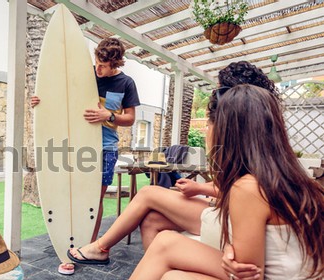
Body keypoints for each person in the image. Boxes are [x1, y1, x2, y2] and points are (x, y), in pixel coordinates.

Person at [110, 85, 324, 280]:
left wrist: (233, 266)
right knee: (165, 248)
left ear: (223, 131)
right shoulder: (304, 184)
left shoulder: (248, 189)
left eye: (207, 123)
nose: (205, 133)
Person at [67, 60, 280, 264]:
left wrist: (204, 190)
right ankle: (155, 277)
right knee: (151, 220)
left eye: (219, 94)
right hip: (229, 208)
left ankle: (101, 247)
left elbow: (248, 193)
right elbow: (235, 188)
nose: (214, 103)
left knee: (148, 193)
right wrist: (199, 188)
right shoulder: (254, 141)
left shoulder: (247, 145)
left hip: (237, 216)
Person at [31, 37, 140, 274]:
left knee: (94, 199)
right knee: (68, 193)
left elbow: (130, 119)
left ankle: (88, 248)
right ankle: (66, 248)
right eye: (96, 62)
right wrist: (41, 101)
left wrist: (108, 116)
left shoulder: (126, 83)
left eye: (103, 65)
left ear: (116, 64)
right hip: (76, 147)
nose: (97, 69)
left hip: (106, 148)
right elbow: (60, 98)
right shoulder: (85, 74)